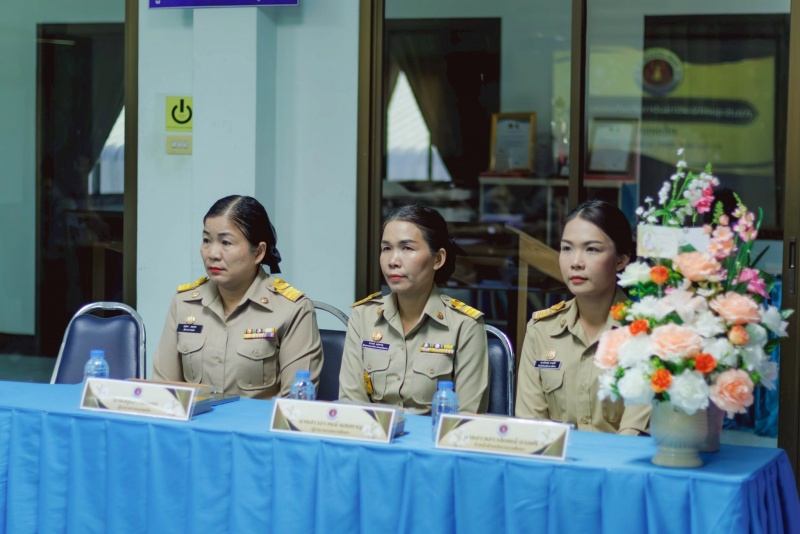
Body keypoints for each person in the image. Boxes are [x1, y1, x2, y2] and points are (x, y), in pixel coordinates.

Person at [153, 195, 323, 399]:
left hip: (257, 421)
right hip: (196, 421)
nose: (212, 253)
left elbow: (294, 405)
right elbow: (163, 392)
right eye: (206, 240)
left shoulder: (292, 309)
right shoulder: (184, 304)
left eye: (226, 242)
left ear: (258, 253)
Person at [515, 199, 650, 435]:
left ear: (621, 260)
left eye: (592, 249)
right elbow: (530, 428)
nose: (576, 262)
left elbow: (633, 436)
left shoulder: (645, 332)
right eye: (567, 248)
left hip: (619, 458)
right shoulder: (542, 330)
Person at [339, 204, 489, 414]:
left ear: (438, 259)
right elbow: (351, 405)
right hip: (373, 433)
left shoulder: (464, 325)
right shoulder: (363, 317)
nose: (393, 261)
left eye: (407, 248)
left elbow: (466, 417)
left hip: (434, 435)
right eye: (386, 249)